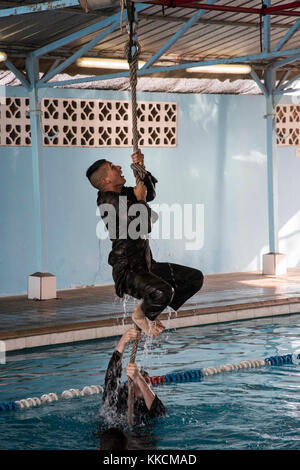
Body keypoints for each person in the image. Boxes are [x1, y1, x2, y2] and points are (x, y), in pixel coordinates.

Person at [86, 150, 204, 336]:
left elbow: (149, 195)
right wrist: (139, 198)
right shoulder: (108, 201)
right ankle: (141, 315)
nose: (119, 167)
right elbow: (142, 225)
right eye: (112, 167)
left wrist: (142, 167)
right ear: (105, 181)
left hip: (146, 266)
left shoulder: (122, 193)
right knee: (163, 291)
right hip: (128, 272)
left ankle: (150, 310)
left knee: (194, 278)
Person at [101, 328, 166, 425]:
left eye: (146, 381)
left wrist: (138, 378)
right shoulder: (117, 398)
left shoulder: (148, 405)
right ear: (127, 385)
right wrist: (123, 341)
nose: (143, 381)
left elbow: (158, 410)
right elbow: (112, 375)